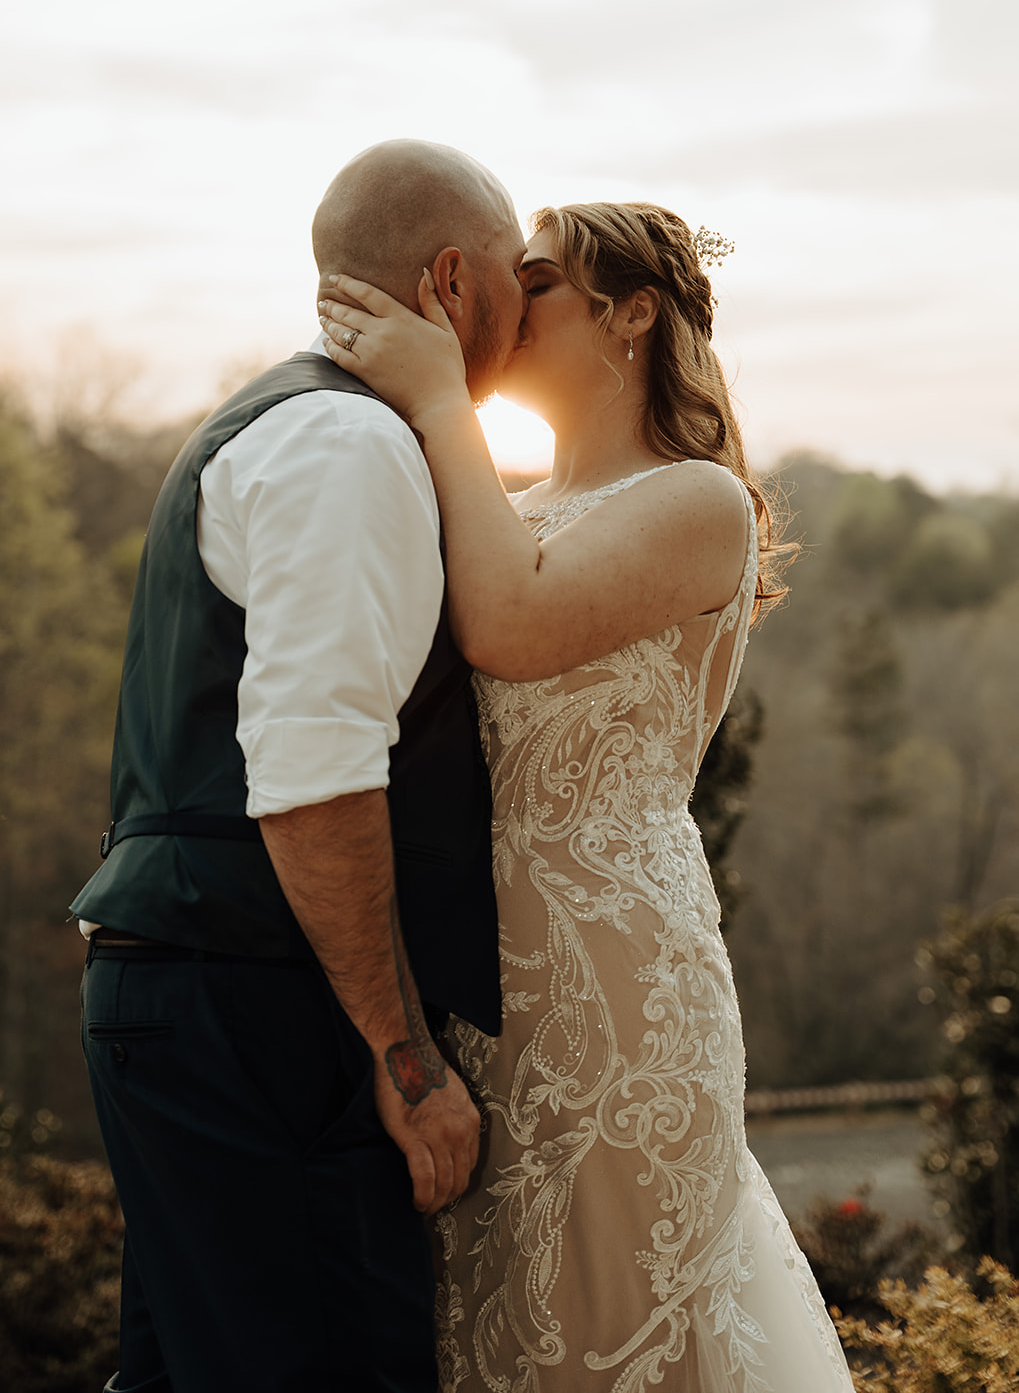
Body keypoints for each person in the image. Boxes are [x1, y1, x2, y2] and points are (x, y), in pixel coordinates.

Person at [319, 201, 853, 1392]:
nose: (510, 302)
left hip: (619, 992)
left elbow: (509, 626)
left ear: (633, 313)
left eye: (541, 281)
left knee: (614, 1323)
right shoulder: (504, 512)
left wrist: (438, 400)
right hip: (477, 990)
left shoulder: (696, 501)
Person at [70, 139, 528, 1393]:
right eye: (515, 272)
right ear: (449, 279)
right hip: (259, 1009)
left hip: (194, 987)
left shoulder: (277, 417)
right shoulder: (345, 447)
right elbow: (315, 774)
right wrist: (402, 1058)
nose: (529, 299)